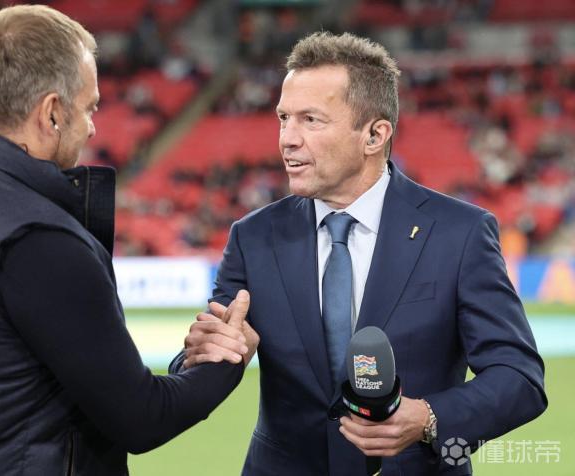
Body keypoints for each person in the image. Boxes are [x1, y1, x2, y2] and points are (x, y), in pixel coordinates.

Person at [0, 5, 257, 475]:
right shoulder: (39, 242)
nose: (92, 126)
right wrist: (225, 360)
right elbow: (140, 418)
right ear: (51, 112)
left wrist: (184, 367)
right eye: (89, 107)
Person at [173, 31, 547, 475]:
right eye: (283, 118)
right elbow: (207, 355)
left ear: (374, 135)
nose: (287, 139)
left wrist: (429, 418)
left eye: (311, 120)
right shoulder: (253, 237)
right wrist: (201, 353)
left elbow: (518, 376)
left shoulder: (459, 233)